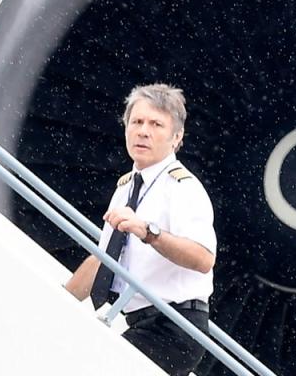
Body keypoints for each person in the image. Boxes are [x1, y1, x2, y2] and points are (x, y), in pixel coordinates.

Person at [64, 83, 216, 376]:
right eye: (137, 122)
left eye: (156, 124)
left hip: (175, 326)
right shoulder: (125, 188)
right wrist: (58, 301)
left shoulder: (184, 189)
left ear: (177, 138)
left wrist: (149, 231)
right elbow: (103, 259)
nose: (143, 131)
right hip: (141, 322)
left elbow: (203, 258)